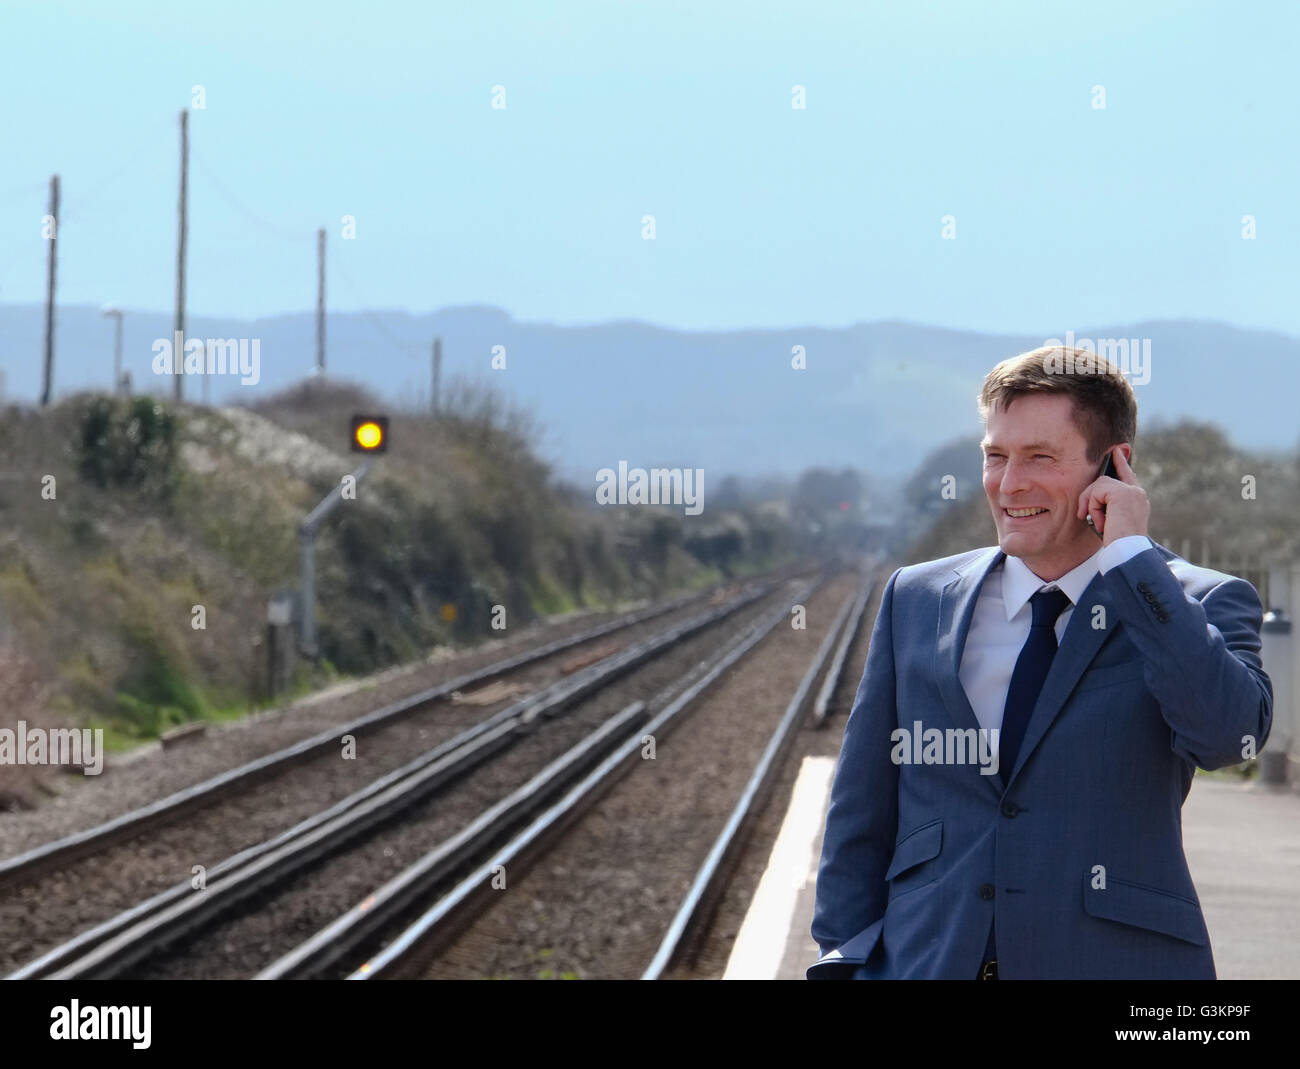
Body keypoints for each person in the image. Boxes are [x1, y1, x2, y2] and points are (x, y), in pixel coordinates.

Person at [808, 346, 1272, 979]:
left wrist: (1134, 560)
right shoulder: (916, 599)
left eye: (1039, 458)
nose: (1010, 482)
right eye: (996, 457)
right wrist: (844, 960)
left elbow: (1228, 737)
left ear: (1113, 465)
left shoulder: (1193, 602)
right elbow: (862, 807)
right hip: (928, 961)